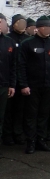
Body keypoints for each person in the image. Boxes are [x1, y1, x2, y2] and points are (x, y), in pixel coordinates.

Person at [17, 16, 50, 154]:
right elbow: (21, 65)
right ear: (39, 28)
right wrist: (24, 85)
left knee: (44, 113)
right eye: (46, 27)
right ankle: (31, 141)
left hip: (48, 85)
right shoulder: (27, 43)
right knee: (31, 114)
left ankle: (41, 140)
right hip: (32, 85)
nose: (49, 29)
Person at [2, 14, 28, 146]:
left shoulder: (27, 39)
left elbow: (21, 63)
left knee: (20, 109)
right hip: (8, 81)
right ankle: (7, 134)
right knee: (7, 110)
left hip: (20, 81)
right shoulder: (9, 38)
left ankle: (18, 133)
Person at [0, 13, 17, 150]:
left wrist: (12, 84)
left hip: (3, 85)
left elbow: (13, 65)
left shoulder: (9, 41)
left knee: (1, 117)